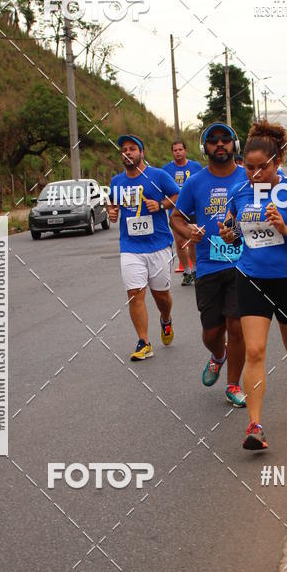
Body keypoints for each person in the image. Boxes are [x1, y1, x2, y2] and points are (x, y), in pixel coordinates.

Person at [219, 121, 287, 451]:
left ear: (276, 162)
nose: (254, 174)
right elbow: (233, 230)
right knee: (254, 351)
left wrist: (286, 228)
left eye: (261, 168)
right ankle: (255, 425)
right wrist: (229, 234)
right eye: (248, 167)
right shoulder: (239, 193)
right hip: (252, 278)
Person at [170, 122, 248, 408]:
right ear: (205, 149)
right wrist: (188, 231)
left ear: (234, 146)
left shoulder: (246, 178)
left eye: (225, 140)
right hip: (208, 265)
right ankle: (218, 355)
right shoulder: (195, 183)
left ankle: (233, 384)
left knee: (236, 326)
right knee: (212, 332)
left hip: (242, 264)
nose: (219, 144)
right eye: (213, 140)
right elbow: (176, 217)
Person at [107, 135, 179, 361]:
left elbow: (178, 196)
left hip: (158, 245)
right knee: (135, 294)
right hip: (130, 247)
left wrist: (160, 205)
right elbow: (111, 201)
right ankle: (144, 342)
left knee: (161, 295)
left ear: (142, 153)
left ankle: (165, 319)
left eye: (132, 149)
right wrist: (111, 211)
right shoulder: (117, 181)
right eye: (124, 150)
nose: (127, 153)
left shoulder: (158, 176)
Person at [163, 140, 203, 285]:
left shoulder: (196, 167)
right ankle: (186, 271)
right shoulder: (166, 169)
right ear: (172, 152)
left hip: (193, 209)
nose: (178, 152)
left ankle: (196, 270)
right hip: (176, 212)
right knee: (180, 242)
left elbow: (202, 186)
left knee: (193, 241)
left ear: (185, 151)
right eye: (175, 150)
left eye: (180, 149)